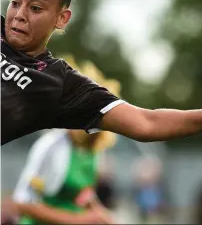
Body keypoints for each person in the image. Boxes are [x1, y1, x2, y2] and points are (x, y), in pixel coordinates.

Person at [1, 0, 202, 146]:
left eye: (35, 8)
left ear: (62, 18)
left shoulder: (60, 84)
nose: (19, 14)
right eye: (15, 2)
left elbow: (145, 122)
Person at [2, 58, 120, 224]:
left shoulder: (93, 152)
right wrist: (79, 220)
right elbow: (24, 203)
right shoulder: (51, 145)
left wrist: (104, 217)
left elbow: (84, 197)